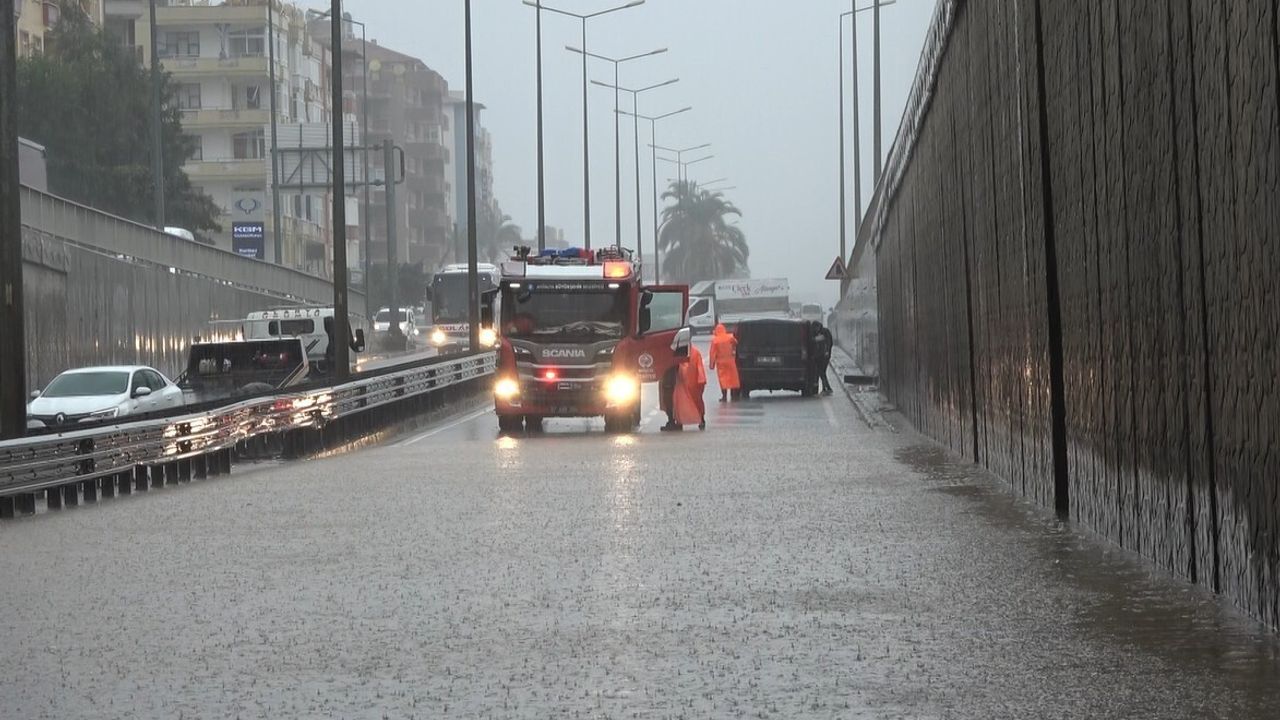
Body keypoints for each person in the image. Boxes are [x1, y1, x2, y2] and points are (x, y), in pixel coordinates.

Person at [662, 344, 708, 431]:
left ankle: (679, 421)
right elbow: (699, 367)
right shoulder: (695, 352)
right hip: (694, 381)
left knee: (679, 401)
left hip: (681, 380)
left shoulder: (676, 351)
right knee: (697, 400)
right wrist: (701, 379)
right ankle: (701, 419)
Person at [708, 323, 741, 402]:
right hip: (730, 361)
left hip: (721, 362)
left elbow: (712, 353)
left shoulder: (715, 340)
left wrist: (711, 365)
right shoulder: (730, 337)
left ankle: (724, 396)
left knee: (723, 379)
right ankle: (733, 395)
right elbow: (736, 342)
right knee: (732, 378)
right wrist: (733, 349)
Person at [810, 320, 834, 395]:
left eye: (815, 328)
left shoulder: (825, 331)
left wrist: (827, 351)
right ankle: (826, 388)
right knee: (821, 373)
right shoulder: (814, 332)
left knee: (822, 372)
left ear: (818, 326)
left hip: (825, 356)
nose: (815, 330)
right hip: (818, 356)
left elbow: (829, 342)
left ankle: (827, 388)